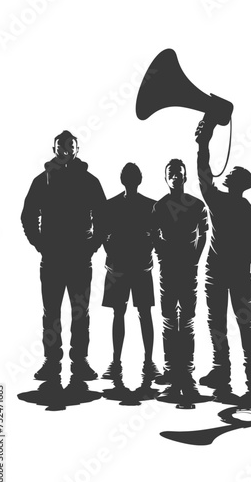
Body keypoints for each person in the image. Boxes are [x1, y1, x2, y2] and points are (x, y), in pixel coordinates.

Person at [21, 130, 106, 381]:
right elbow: (28, 215)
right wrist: (40, 244)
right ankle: (51, 362)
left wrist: (91, 246)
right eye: (61, 145)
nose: (65, 149)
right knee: (52, 312)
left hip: (80, 259)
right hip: (53, 259)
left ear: (77, 149)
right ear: (54, 148)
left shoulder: (89, 181)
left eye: (70, 145)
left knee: (80, 311)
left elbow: (103, 217)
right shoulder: (42, 180)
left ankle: (79, 362)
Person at [195, 119, 251, 404]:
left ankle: (221, 371)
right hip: (238, 272)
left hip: (217, 270)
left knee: (218, 322)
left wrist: (203, 143)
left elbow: (203, 174)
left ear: (232, 183)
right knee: (244, 322)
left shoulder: (218, 201)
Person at [151, 159, 208, 400]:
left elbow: (205, 233)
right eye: (171, 174)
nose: (175, 177)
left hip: (188, 269)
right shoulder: (160, 206)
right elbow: (153, 233)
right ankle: (170, 369)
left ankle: (186, 371)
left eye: (179, 174)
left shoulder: (196, 205)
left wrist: (195, 258)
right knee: (167, 320)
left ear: (185, 177)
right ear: (166, 178)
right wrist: (162, 254)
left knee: (186, 320)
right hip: (168, 269)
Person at [99, 163, 160, 383]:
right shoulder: (144, 205)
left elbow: (155, 235)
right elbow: (103, 235)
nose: (131, 179)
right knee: (131, 314)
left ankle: (143, 362)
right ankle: (124, 362)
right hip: (123, 266)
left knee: (136, 314)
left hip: (132, 266)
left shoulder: (146, 206)